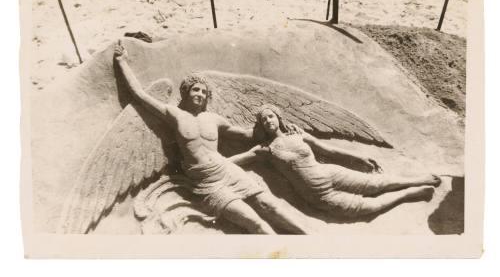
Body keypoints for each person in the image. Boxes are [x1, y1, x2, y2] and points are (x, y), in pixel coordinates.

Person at [113, 42, 310, 234]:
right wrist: (122, 62)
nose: (200, 94)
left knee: (270, 207)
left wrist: (277, 126)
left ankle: (310, 240)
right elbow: (140, 95)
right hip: (206, 181)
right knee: (254, 222)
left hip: (227, 169)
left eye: (204, 92)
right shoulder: (175, 115)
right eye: (196, 90)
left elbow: (245, 135)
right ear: (186, 92)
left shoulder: (213, 119)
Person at [229, 104, 442, 218]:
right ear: (261, 126)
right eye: (263, 120)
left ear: (278, 118)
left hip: (329, 172)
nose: (268, 121)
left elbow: (328, 150)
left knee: (376, 184)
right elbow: (233, 161)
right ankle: (408, 194)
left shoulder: (298, 135)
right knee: (364, 208)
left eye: (270, 116)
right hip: (318, 194)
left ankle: (417, 179)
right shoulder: (264, 150)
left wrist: (357, 157)